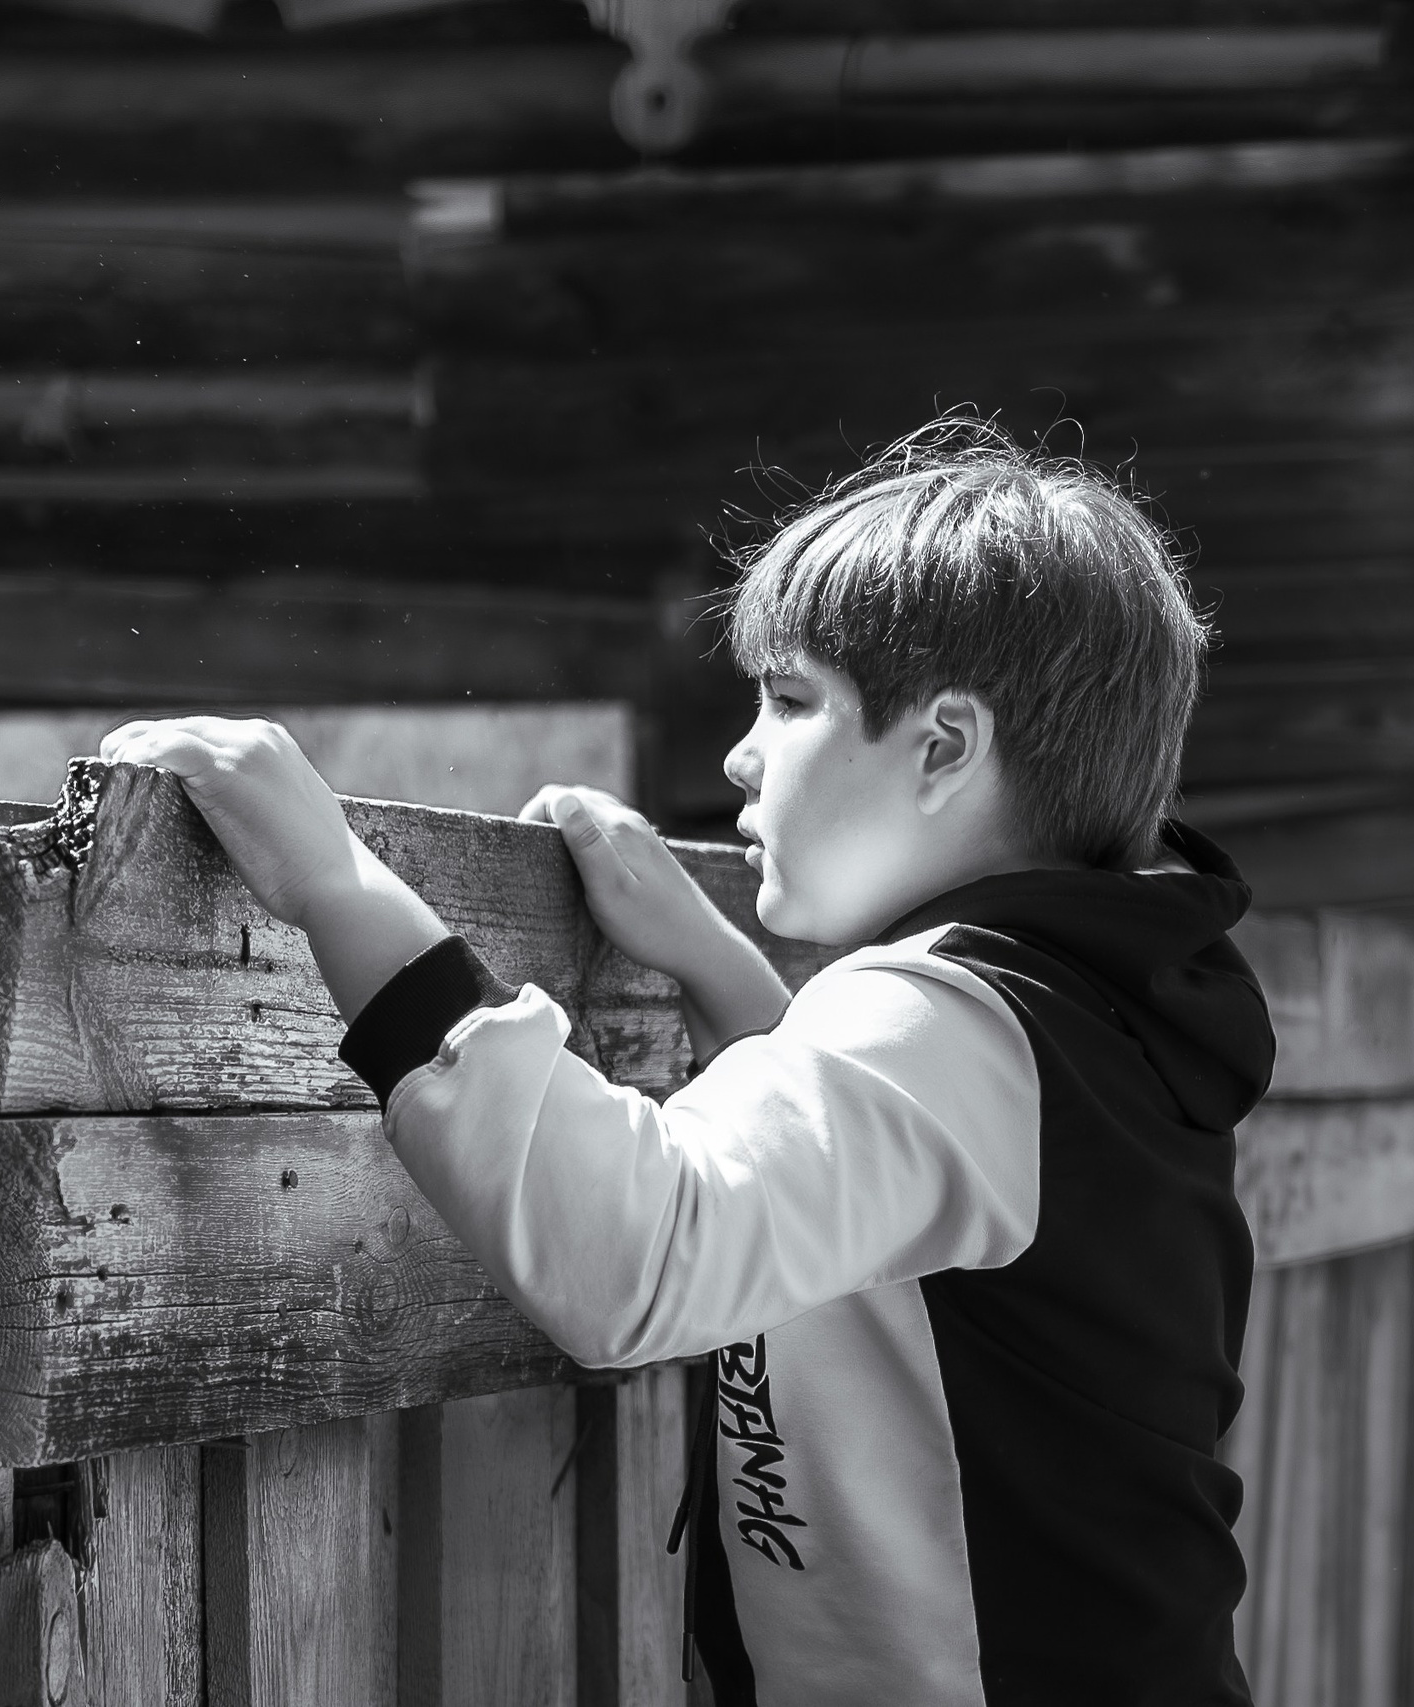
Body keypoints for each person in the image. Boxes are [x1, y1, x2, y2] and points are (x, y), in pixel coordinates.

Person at [99, 417, 1272, 1707]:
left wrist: (334, 886)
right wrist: (710, 962)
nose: (739, 755)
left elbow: (643, 1252)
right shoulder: (1081, 1020)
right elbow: (854, 1187)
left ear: (943, 747)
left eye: (789, 698)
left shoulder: (958, 1018)